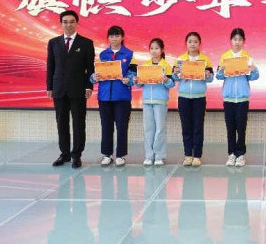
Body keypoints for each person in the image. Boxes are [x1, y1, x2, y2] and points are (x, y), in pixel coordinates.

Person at [47, 10, 95, 169]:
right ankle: (64, 154)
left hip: (78, 89)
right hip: (59, 89)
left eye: (72, 22)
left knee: (78, 124)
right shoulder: (53, 42)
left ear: (77, 23)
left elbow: (90, 68)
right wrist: (49, 87)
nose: (68, 25)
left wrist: (89, 86)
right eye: (65, 22)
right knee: (61, 123)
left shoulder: (86, 43)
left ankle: (76, 155)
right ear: (61, 23)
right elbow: (50, 67)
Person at [91, 25, 137, 167]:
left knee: (122, 126)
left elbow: (134, 74)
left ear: (122, 37)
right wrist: (94, 77)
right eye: (111, 36)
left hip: (122, 97)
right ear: (108, 38)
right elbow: (95, 74)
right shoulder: (103, 55)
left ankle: (121, 155)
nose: (114, 39)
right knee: (106, 126)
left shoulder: (130, 55)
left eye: (117, 36)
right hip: (104, 97)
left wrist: (129, 79)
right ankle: (107, 154)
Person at [216, 28, 259, 167]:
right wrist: (221, 71)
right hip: (228, 98)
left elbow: (254, 76)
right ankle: (231, 154)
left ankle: (240, 155)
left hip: (242, 98)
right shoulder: (225, 57)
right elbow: (218, 76)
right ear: (231, 40)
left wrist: (254, 70)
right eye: (235, 39)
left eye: (240, 39)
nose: (237, 42)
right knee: (230, 128)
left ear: (243, 41)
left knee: (241, 127)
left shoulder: (248, 57)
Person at [173, 32, 214, 167]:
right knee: (186, 127)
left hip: (199, 98)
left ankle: (197, 156)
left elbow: (210, 78)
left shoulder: (205, 60)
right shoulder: (180, 60)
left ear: (199, 44)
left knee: (197, 127)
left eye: (195, 42)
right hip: (184, 97)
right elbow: (175, 77)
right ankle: (187, 155)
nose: (192, 44)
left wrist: (207, 74)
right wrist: (176, 73)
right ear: (186, 43)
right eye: (190, 41)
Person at [135, 38, 174, 166]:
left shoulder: (166, 66)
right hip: (147, 101)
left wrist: (166, 80)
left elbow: (171, 84)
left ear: (162, 50)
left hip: (160, 100)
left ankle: (159, 155)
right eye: (152, 48)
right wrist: (137, 80)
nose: (154, 51)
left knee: (160, 129)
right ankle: (149, 155)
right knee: (148, 129)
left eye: (156, 48)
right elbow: (140, 85)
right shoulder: (145, 65)